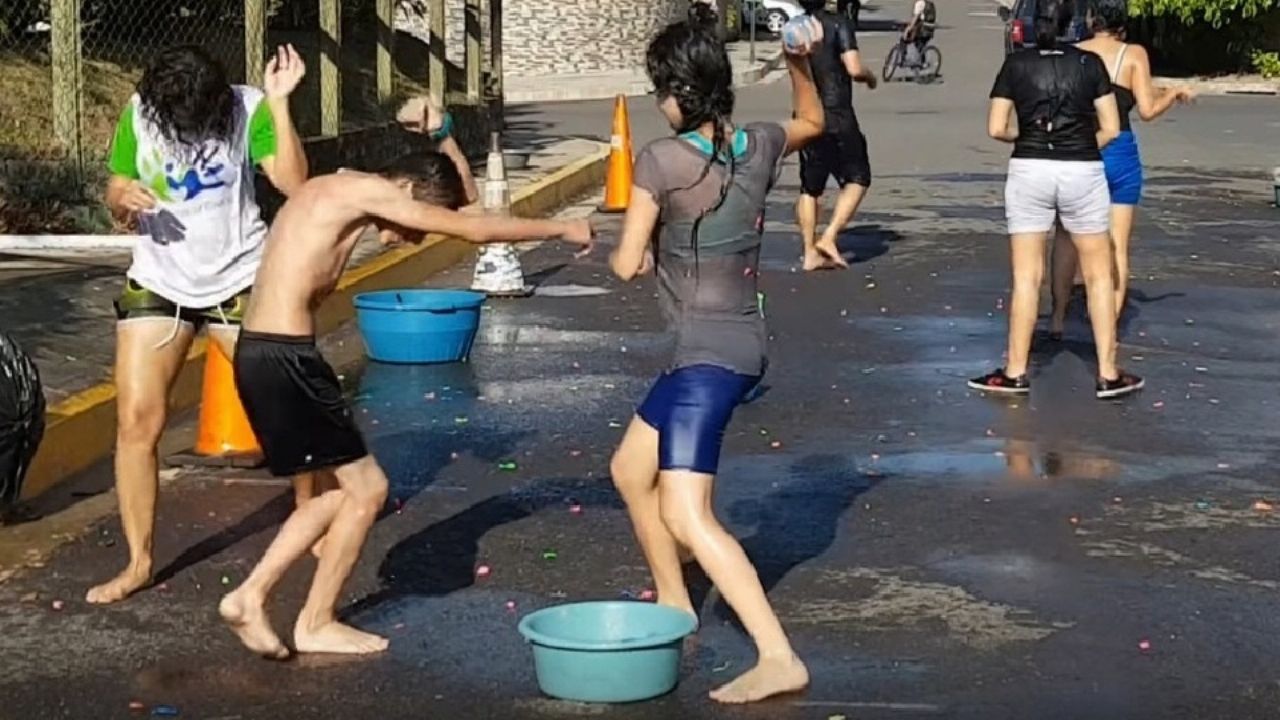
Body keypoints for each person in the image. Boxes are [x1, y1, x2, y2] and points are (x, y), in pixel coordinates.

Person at [218, 121, 593, 658]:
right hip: (285, 357)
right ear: (411, 192)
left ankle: (253, 597)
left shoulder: (336, 187)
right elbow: (474, 230)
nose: (410, 237)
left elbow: (459, 209)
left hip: (267, 354)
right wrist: (561, 230)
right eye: (416, 225)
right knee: (366, 490)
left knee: (347, 491)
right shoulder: (373, 191)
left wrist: (445, 140)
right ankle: (309, 619)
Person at [608, 4, 824, 704]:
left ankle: (777, 654)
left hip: (707, 358)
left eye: (659, 88)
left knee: (688, 514)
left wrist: (636, 255)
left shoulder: (661, 160)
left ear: (678, 93)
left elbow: (623, 262)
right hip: (727, 344)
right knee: (629, 469)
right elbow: (815, 122)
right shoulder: (758, 143)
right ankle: (675, 601)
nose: (657, 101)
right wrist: (797, 64)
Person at [89, 44, 308, 604]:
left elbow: (292, 182)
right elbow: (114, 185)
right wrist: (123, 199)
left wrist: (281, 105)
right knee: (137, 421)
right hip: (160, 281)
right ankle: (138, 562)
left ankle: (317, 518)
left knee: (287, 408)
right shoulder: (141, 111)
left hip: (239, 278)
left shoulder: (250, 107)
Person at [971, 0, 1144, 399]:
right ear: (1075, 25)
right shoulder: (1089, 65)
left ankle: (1015, 372)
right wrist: (1082, 143)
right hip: (1081, 168)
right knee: (1099, 274)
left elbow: (996, 128)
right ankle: (1107, 373)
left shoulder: (1016, 66)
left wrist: (1030, 140)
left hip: (1030, 168)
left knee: (1026, 277)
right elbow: (1112, 127)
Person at [1048, 0, 1194, 336]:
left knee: (1067, 237)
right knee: (1117, 243)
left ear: (1090, 19)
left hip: (1081, 149)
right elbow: (1146, 109)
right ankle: (1108, 327)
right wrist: (1172, 94)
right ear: (1122, 24)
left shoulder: (1073, 54)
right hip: (1120, 152)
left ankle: (1057, 318)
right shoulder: (1133, 54)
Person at [794, 0, 877, 272]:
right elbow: (853, 68)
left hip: (805, 115)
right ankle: (829, 236)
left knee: (810, 186)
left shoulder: (795, 28)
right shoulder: (838, 23)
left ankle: (808, 252)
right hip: (837, 113)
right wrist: (870, 77)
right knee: (858, 177)